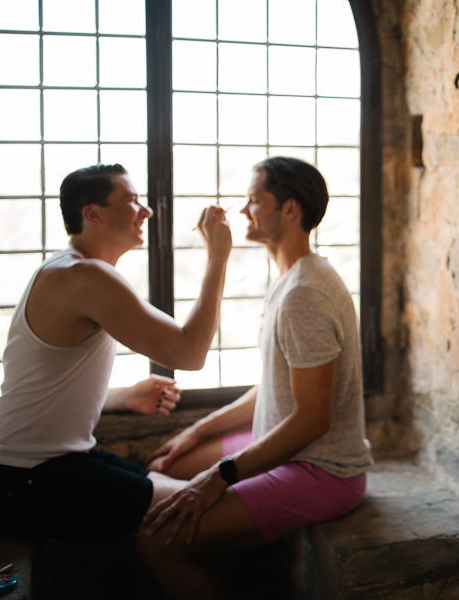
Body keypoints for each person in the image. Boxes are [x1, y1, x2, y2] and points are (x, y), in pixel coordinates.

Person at [138, 157, 372, 600]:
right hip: (283, 443)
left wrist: (215, 479)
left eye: (254, 200)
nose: (244, 211)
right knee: (163, 467)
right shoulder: (290, 278)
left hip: (321, 469)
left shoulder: (306, 292)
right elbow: (275, 387)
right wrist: (196, 431)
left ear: (290, 209)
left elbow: (311, 421)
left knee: (155, 539)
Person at [0, 163, 232, 545]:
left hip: (53, 463)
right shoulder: (84, 276)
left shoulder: (70, 268)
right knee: (205, 504)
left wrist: (126, 396)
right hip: (22, 479)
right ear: (92, 214)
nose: (146, 211)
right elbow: (190, 352)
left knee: (186, 489)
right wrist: (218, 258)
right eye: (131, 200)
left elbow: (42, 389)